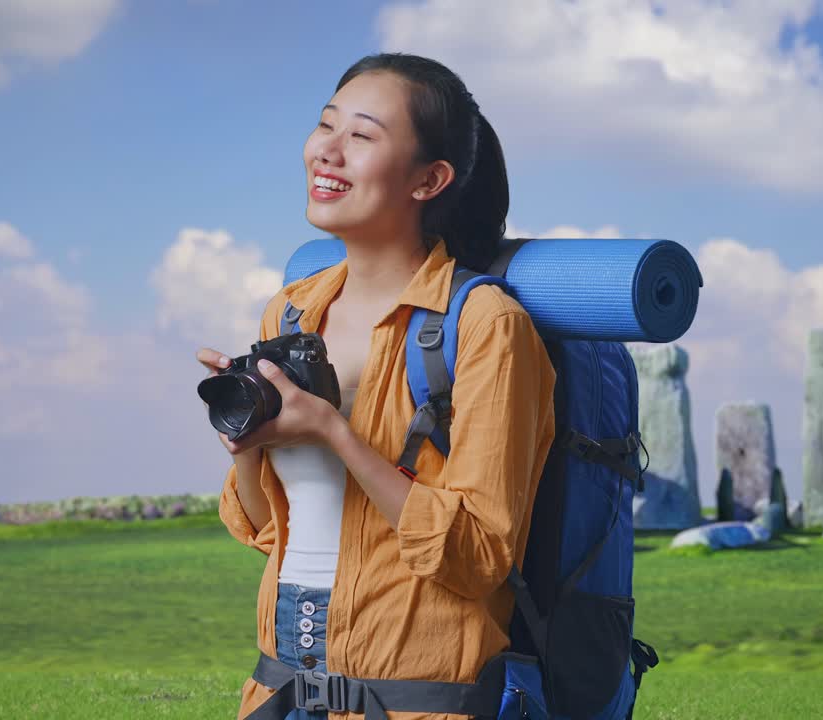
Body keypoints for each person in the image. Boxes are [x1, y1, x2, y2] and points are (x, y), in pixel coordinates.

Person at [197, 52, 556, 720]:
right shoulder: (292, 312)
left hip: (421, 700)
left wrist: (336, 434)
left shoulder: (484, 325)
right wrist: (247, 437)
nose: (326, 152)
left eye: (361, 137)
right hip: (280, 693)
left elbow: (479, 557)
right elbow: (264, 530)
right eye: (324, 126)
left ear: (430, 179)